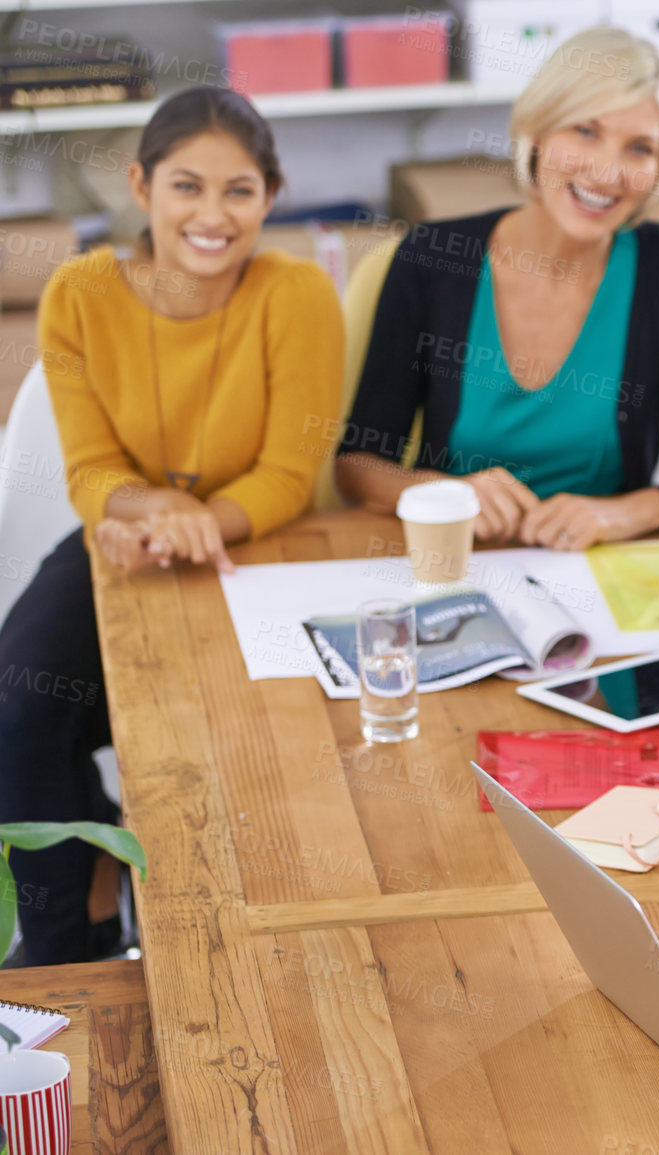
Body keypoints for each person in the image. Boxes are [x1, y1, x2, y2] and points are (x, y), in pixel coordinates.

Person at [1, 87, 344, 964]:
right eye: (187, 186)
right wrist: (143, 513)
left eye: (239, 191)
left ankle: (195, 923)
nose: (212, 214)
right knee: (19, 705)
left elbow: (288, 474)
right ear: (141, 184)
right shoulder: (80, 292)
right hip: (120, 550)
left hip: (254, 554)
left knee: (230, 738)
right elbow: (90, 468)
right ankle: (62, 945)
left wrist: (196, 522)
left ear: (270, 196)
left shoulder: (298, 294)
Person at [337, 26, 659, 548]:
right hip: (456, 561)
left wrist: (645, 508)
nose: (607, 171)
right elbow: (357, 467)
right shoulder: (434, 259)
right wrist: (442, 492)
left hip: (608, 571)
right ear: (536, 133)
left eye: (639, 148)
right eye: (584, 130)